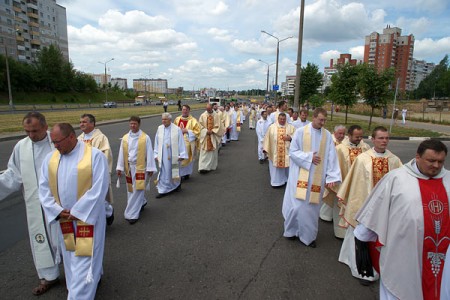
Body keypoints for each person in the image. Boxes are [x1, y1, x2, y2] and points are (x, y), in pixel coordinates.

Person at [354, 139, 450, 299]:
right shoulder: (396, 179)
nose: (436, 166)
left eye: (440, 161)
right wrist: (362, 238)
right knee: (398, 290)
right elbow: (375, 211)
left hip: (443, 257)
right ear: (417, 157)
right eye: (431, 161)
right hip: (402, 254)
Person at [39, 123, 109, 299]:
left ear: (71, 137)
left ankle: (79, 294)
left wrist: (78, 211)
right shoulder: (50, 159)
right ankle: (76, 286)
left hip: (87, 218)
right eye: (53, 142)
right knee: (70, 258)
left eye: (58, 142)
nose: (55, 146)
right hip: (64, 218)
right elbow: (44, 188)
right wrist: (56, 210)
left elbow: (100, 187)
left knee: (85, 259)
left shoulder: (94, 156)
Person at [0, 112, 60, 296]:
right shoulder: (21, 147)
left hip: (59, 202)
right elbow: (13, 174)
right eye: (27, 131)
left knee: (64, 240)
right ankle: (48, 276)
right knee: (40, 239)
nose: (31, 135)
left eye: (34, 130)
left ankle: (79, 276)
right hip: (35, 203)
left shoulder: (56, 142)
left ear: (44, 126)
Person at [337, 126, 402, 284]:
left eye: (386, 138)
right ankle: (360, 270)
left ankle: (379, 267)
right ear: (373, 139)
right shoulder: (363, 159)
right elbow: (355, 185)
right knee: (358, 236)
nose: (384, 141)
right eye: (380, 138)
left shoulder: (394, 160)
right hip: (364, 206)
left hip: (384, 208)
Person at [282, 108, 341, 248]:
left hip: (316, 178)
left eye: (325, 120)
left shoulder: (327, 135)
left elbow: (332, 156)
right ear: (314, 118)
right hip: (299, 175)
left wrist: (332, 176)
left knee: (311, 208)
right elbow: (293, 151)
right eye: (321, 119)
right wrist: (309, 158)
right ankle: (291, 231)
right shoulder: (301, 132)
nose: (323, 122)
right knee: (296, 207)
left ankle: (308, 237)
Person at [116, 116, 156, 224]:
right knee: (130, 189)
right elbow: (121, 153)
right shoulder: (125, 138)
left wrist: (150, 167)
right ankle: (142, 202)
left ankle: (132, 214)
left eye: (135, 124)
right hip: (129, 167)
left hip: (141, 167)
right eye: (131, 124)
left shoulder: (145, 137)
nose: (132, 126)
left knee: (138, 188)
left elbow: (150, 152)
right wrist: (119, 167)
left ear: (139, 124)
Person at [78, 113, 114, 225]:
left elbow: (106, 155)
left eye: (84, 122)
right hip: (82, 175)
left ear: (92, 123)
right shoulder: (79, 139)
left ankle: (108, 212)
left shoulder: (101, 138)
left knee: (100, 198)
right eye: (80, 122)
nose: (81, 124)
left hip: (96, 174)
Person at [154, 113, 188, 198]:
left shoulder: (176, 129)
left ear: (170, 120)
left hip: (173, 154)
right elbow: (156, 142)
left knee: (173, 170)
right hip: (163, 154)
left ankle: (176, 185)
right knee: (164, 172)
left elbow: (181, 142)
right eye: (162, 119)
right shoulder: (160, 128)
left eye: (165, 119)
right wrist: (155, 153)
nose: (163, 121)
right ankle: (164, 189)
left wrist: (182, 154)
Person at [263, 113, 296, 187]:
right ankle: (276, 182)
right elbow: (267, 138)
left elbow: (296, 137)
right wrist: (265, 149)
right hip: (275, 152)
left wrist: (290, 138)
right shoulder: (272, 127)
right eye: (280, 119)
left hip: (287, 152)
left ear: (286, 119)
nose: (282, 120)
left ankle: (286, 180)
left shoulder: (291, 127)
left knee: (287, 167)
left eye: (284, 119)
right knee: (275, 169)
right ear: (278, 119)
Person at [173, 105, 201, 180]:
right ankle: (178, 174)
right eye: (183, 109)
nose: (184, 111)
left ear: (189, 111)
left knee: (187, 157)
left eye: (186, 110)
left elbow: (197, 132)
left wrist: (187, 131)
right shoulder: (177, 119)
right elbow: (173, 130)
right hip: (177, 142)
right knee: (178, 158)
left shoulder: (193, 120)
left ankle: (186, 174)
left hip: (188, 142)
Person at [198, 103, 224, 173]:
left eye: (209, 109)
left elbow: (220, 126)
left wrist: (213, 131)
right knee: (204, 152)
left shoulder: (216, 116)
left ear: (212, 108)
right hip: (205, 136)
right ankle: (203, 167)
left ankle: (211, 166)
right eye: (207, 109)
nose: (208, 111)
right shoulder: (203, 116)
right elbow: (199, 126)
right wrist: (206, 131)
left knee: (212, 152)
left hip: (213, 135)